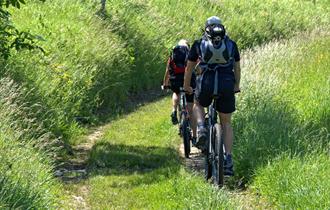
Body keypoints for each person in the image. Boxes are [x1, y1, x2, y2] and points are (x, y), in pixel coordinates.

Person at [184, 16, 241, 176]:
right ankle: (228, 160)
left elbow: (189, 69)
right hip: (226, 83)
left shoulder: (198, 44)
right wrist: (236, 85)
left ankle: (202, 128)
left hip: (206, 82)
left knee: (198, 103)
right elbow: (237, 67)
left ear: (206, 28)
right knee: (226, 124)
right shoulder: (231, 44)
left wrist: (187, 86)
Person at [163, 39, 197, 142]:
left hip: (175, 80)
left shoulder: (173, 54)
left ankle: (174, 110)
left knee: (176, 92)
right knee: (191, 110)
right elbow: (196, 67)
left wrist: (165, 83)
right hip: (189, 80)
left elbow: (167, 70)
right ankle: (195, 136)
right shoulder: (190, 53)